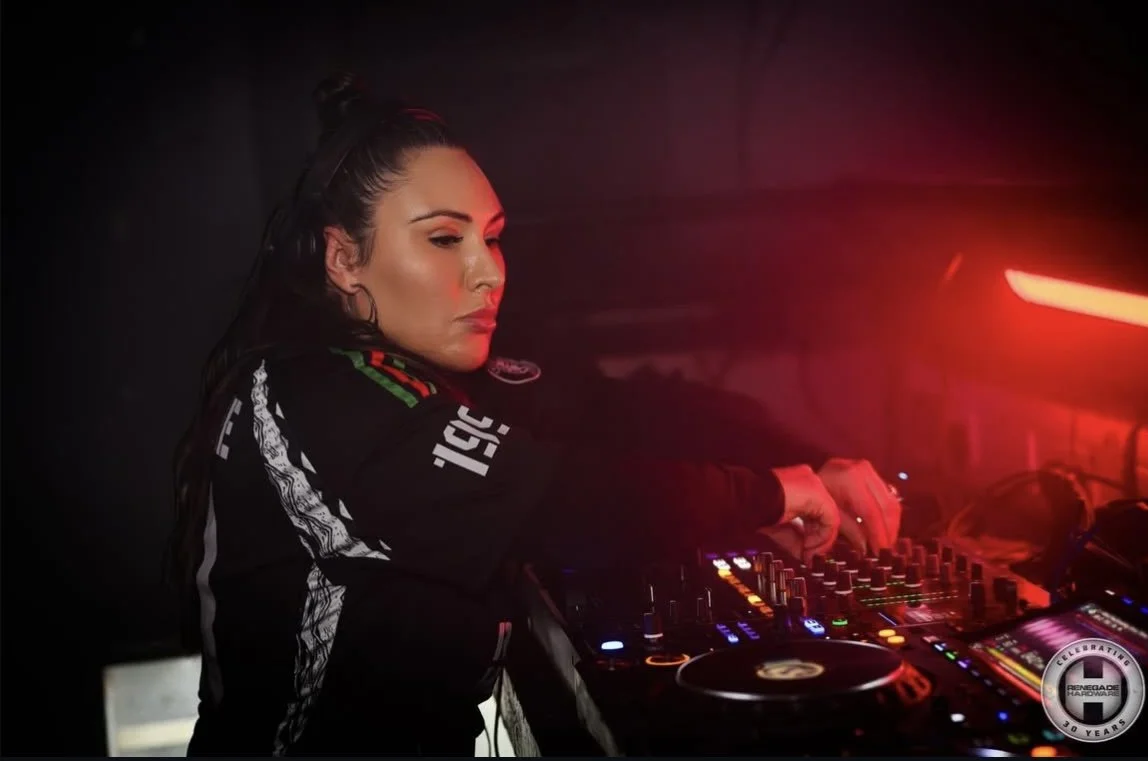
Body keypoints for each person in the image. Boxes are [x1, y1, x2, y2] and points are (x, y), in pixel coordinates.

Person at [170, 73, 903, 756]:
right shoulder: (314, 394)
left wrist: (805, 465)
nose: (488, 269)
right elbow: (563, 499)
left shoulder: (431, 376)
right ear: (342, 259)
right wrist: (767, 492)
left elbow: (622, 410)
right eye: (443, 238)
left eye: (491, 236)